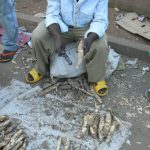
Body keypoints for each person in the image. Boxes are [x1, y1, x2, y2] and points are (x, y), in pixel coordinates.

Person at [26, 0, 109, 97]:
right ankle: (40, 69)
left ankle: (97, 77)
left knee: (100, 46)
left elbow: (100, 21)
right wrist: (57, 37)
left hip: (88, 28)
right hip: (61, 25)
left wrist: (90, 39)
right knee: (38, 36)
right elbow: (52, 14)